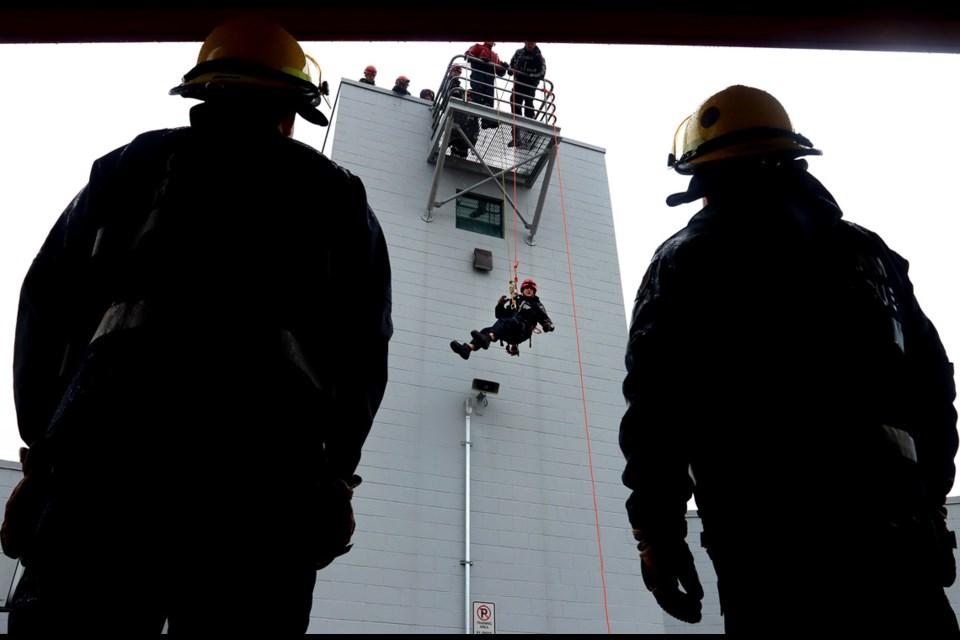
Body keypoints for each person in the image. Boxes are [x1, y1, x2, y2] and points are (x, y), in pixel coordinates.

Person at [0, 14, 393, 635]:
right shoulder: (337, 197)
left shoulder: (128, 166)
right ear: (293, 110)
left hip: (105, 456)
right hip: (266, 477)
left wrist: (44, 453)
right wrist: (336, 476)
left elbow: (45, 305)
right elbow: (364, 351)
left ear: (203, 95)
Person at [619, 84, 959, 634]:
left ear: (706, 178)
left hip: (772, 558)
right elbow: (932, 386)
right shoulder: (871, 255)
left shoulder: (686, 260)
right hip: (900, 543)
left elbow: (657, 407)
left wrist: (656, 534)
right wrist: (932, 501)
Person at [450, 278, 554, 359]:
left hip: (523, 330)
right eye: (527, 288)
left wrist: (548, 326)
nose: (529, 290)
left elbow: (546, 320)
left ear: (534, 292)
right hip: (511, 331)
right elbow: (500, 315)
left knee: (505, 322)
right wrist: (500, 305)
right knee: (485, 330)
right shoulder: (516, 301)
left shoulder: (536, 304)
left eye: (532, 289)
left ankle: (488, 338)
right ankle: (467, 348)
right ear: (522, 289)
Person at [464, 41, 508, 128]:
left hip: (489, 78)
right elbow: (468, 54)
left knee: (489, 98)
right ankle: (473, 117)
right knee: (477, 95)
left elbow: (499, 71)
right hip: (478, 74)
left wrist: (503, 67)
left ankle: (486, 120)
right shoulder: (478, 46)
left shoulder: (495, 55)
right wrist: (480, 60)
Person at [445, 64, 479, 159]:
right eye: (455, 71)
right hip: (456, 129)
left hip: (466, 135)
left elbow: (475, 127)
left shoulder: (473, 112)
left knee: (463, 140)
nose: (457, 73)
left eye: (459, 72)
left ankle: (460, 150)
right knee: (458, 135)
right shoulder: (450, 82)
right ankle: (456, 149)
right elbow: (453, 95)